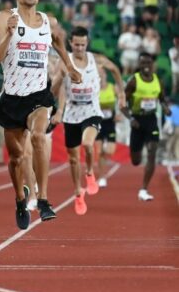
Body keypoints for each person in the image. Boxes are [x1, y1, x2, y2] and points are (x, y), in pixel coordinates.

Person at [0, 0, 82, 230]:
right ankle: (20, 198)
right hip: (12, 98)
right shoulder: (4, 18)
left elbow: (59, 42)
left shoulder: (47, 21)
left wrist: (70, 67)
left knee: (40, 137)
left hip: (39, 96)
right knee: (17, 158)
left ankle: (42, 200)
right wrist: (8, 36)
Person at [55, 26, 126, 215]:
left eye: (82, 44)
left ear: (87, 43)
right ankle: (78, 192)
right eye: (76, 44)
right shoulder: (64, 62)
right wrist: (59, 109)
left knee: (87, 145)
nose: (79, 48)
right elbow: (58, 89)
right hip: (72, 111)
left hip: (92, 109)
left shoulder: (97, 60)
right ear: (71, 43)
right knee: (72, 158)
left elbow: (116, 70)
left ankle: (89, 173)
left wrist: (121, 94)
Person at [123, 53, 171, 201]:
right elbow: (122, 103)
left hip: (151, 120)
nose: (146, 66)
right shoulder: (134, 81)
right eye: (143, 63)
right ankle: (137, 157)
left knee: (152, 152)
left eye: (148, 63)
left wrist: (165, 107)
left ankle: (144, 189)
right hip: (137, 121)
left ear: (153, 65)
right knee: (136, 160)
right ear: (139, 64)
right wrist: (130, 118)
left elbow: (162, 99)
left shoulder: (158, 81)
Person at [95, 68, 123, 188]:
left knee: (110, 150)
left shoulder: (113, 87)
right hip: (98, 123)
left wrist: (119, 113)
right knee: (99, 151)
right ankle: (102, 177)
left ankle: (103, 158)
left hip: (110, 122)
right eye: (98, 75)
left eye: (102, 74)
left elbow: (121, 98)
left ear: (105, 75)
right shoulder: (94, 89)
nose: (101, 77)